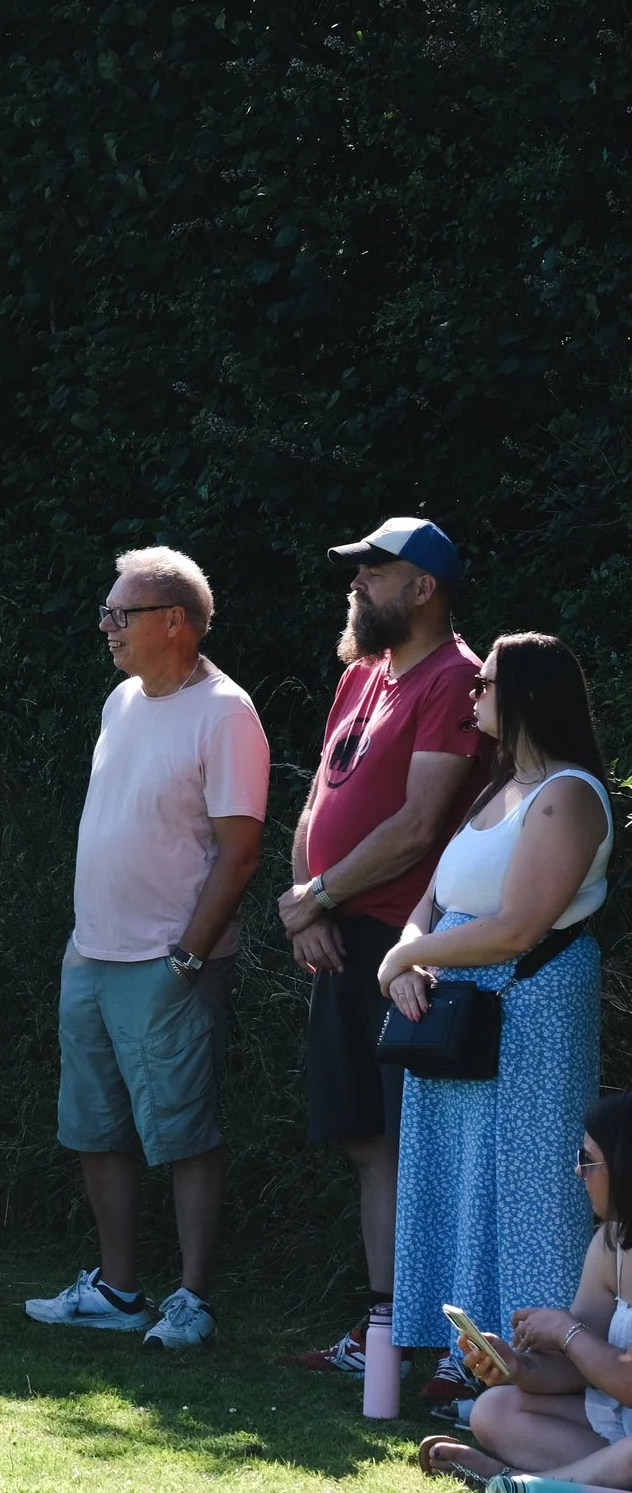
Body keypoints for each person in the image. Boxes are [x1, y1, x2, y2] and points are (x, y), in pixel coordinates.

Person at [25, 546, 268, 1349]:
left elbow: (240, 851)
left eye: (120, 614)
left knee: (184, 1132)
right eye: (107, 612)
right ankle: (119, 1289)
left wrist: (188, 957)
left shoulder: (225, 712)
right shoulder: (121, 700)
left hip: (171, 963)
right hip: (93, 955)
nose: (107, 626)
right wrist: (80, 946)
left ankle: (192, 1299)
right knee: (96, 1126)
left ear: (174, 622)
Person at [274, 518, 490, 1379]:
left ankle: (452, 1344)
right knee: (366, 1138)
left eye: (376, 570)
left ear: (423, 587)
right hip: (339, 939)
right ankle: (384, 1330)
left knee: (423, 1145)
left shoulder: (457, 677)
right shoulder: (362, 673)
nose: (357, 583)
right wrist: (307, 904)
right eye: (357, 570)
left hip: (414, 950)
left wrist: (322, 894)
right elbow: (316, 800)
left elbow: (418, 825)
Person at [383, 632, 611, 1410]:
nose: (472, 693)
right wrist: (406, 960)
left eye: (484, 683)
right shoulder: (496, 790)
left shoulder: (570, 794)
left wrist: (405, 960)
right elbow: (431, 901)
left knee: (529, 1186)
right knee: (457, 1178)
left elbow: (519, 925)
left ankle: (537, 1364)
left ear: (526, 694)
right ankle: (463, 1352)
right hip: (453, 1015)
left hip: (529, 1009)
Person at [423, 1093, 632, 1485]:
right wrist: (518, 1367)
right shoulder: (612, 1244)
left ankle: (519, 1482)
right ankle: (547, 1482)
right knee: (493, 1409)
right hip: (618, 1426)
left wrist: (566, 1331)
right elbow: (580, 1369)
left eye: (588, 1160)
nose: (578, 1171)